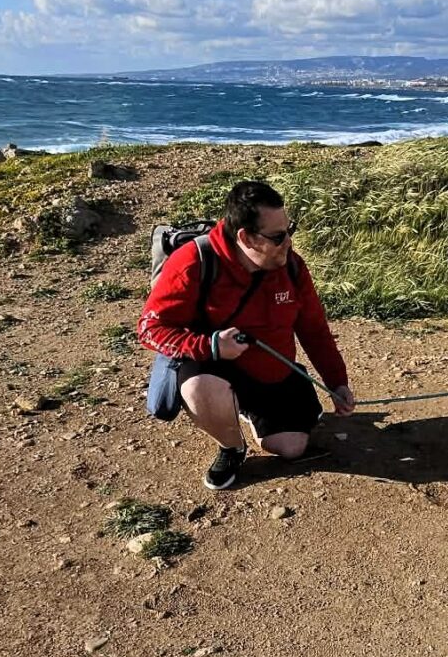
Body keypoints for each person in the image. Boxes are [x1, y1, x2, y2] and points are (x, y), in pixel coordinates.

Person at [138, 180, 355, 490]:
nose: (288, 243)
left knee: (292, 448)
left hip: (273, 370)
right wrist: (209, 345)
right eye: (278, 236)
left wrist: (337, 382)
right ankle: (231, 446)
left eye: (289, 231)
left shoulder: (291, 267)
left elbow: (314, 329)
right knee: (200, 389)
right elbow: (149, 328)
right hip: (213, 364)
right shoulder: (193, 262)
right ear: (245, 237)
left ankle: (244, 408)